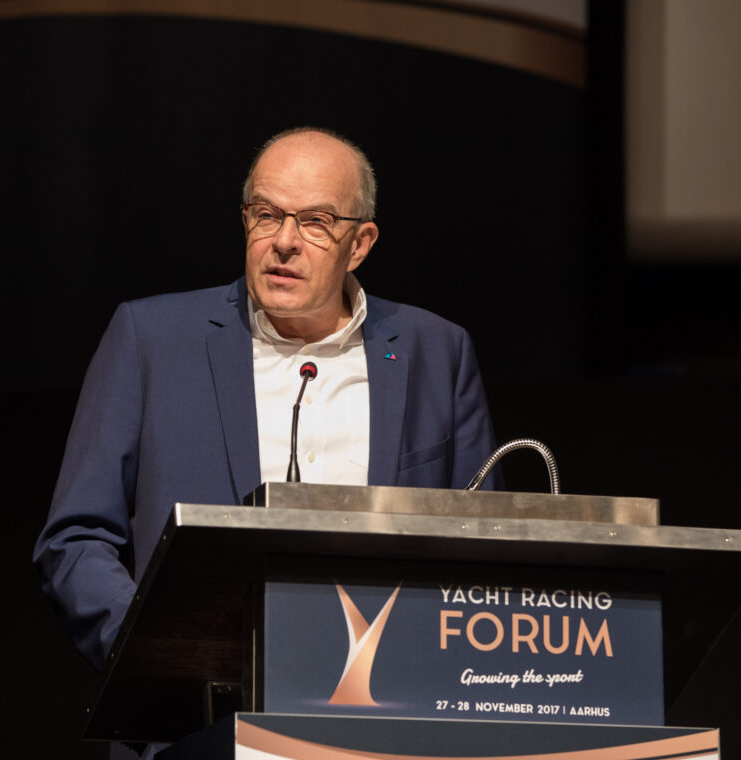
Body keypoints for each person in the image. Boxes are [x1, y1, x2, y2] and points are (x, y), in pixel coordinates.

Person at [34, 126, 498, 687]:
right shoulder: (151, 339)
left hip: (391, 703)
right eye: (266, 214)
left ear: (360, 244)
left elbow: (483, 553)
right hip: (198, 711)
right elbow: (76, 538)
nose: (284, 241)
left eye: (316, 221)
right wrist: (154, 654)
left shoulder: (437, 352)